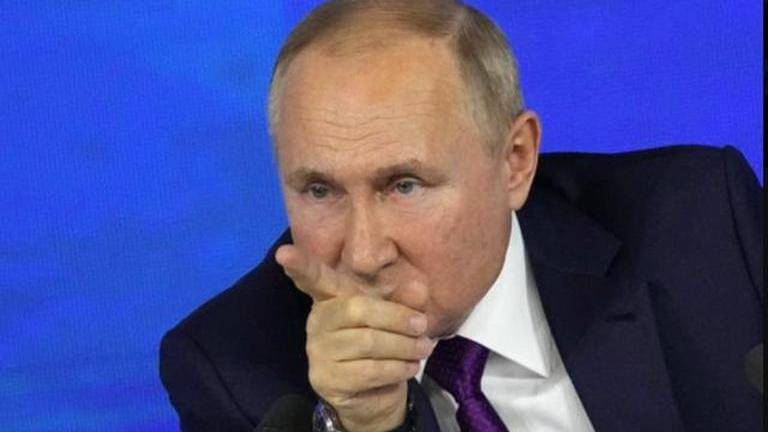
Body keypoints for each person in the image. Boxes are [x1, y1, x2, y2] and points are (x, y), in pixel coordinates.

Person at [159, 1, 764, 431]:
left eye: (404, 185)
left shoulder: (703, 224)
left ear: (515, 161)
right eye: (320, 191)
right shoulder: (234, 372)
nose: (364, 255)